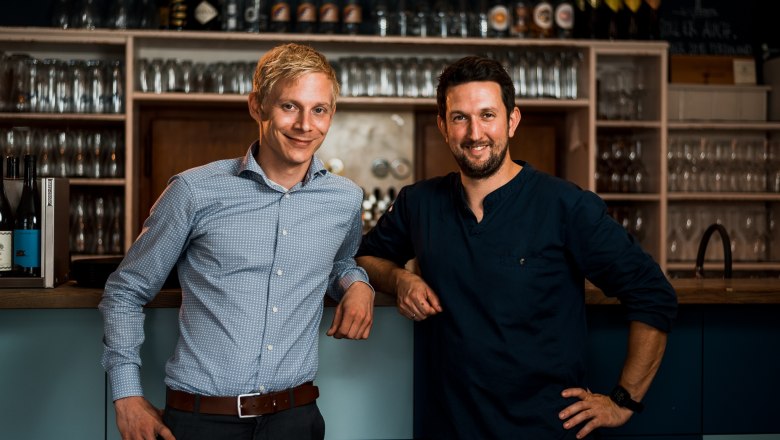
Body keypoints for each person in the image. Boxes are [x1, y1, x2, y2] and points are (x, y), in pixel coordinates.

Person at [356, 55, 678, 439]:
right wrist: (399, 279)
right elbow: (365, 257)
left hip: (542, 429)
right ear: (443, 126)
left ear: (512, 120)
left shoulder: (565, 205)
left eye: (488, 115)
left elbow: (652, 293)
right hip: (445, 428)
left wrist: (623, 401)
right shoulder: (419, 203)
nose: (475, 133)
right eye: (460, 117)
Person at [99, 43, 374, 440]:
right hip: (202, 421)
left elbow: (337, 262)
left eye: (319, 109)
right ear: (257, 106)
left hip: (296, 419)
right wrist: (126, 396)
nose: (305, 125)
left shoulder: (345, 198)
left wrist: (357, 283)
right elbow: (126, 291)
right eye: (289, 106)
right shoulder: (194, 191)